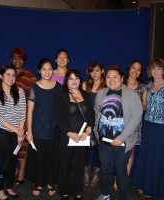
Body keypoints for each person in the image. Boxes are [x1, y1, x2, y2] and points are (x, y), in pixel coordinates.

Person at [94, 65, 143, 200]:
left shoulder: (132, 95)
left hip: (122, 142)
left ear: (122, 78)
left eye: (115, 77)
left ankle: (123, 197)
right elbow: (97, 114)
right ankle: (105, 194)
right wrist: (96, 132)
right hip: (104, 142)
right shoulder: (101, 94)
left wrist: (121, 138)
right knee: (105, 169)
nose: (111, 79)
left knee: (121, 172)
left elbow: (137, 117)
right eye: (108, 77)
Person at [133, 58, 164, 200]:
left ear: (163, 71)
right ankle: (145, 185)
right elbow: (144, 106)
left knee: (157, 158)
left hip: (160, 127)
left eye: (159, 68)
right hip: (148, 126)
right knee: (146, 156)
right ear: (150, 71)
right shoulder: (147, 87)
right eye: (153, 68)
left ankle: (154, 188)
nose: (156, 71)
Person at [55, 69, 95, 200]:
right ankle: (64, 191)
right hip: (67, 137)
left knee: (79, 166)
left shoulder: (87, 95)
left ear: (80, 80)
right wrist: (69, 133)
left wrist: (88, 131)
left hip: (82, 138)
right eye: (71, 78)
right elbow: (58, 118)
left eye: (76, 78)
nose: (74, 81)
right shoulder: (60, 96)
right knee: (64, 165)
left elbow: (91, 116)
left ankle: (77, 191)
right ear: (66, 81)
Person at [0, 65, 26, 200]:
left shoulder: (20, 92)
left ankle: (9, 187)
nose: (11, 78)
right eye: (8, 75)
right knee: (5, 160)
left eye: (13, 75)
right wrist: (17, 130)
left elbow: (23, 112)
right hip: (1, 131)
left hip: (17, 132)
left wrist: (20, 132)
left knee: (13, 160)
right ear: (1, 76)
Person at [26, 58, 61, 196]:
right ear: (39, 71)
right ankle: (39, 183)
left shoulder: (58, 86)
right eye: (44, 69)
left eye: (50, 69)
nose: (47, 72)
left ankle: (51, 183)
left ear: (53, 70)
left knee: (52, 157)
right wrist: (29, 131)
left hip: (55, 128)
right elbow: (30, 111)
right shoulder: (34, 87)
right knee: (39, 158)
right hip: (38, 128)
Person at [112, 60, 146, 191]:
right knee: (117, 151)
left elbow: (144, 105)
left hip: (134, 123)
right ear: (129, 69)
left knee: (130, 151)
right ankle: (116, 176)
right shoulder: (121, 82)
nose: (135, 71)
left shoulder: (143, 87)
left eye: (138, 69)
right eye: (133, 68)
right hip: (117, 122)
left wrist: (133, 110)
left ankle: (122, 178)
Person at [10, 48, 36, 184]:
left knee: (23, 144)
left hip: (24, 116)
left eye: (20, 58)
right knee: (10, 144)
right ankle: (12, 170)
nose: (17, 61)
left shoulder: (30, 76)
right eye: (14, 58)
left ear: (24, 60)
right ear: (11, 60)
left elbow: (35, 95)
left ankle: (22, 171)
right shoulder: (7, 74)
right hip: (8, 116)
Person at [82, 61, 105, 187]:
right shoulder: (85, 85)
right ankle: (85, 172)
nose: (94, 73)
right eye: (92, 70)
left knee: (99, 150)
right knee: (84, 148)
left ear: (102, 71)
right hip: (86, 121)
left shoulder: (106, 86)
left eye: (97, 70)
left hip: (101, 122)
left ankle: (96, 173)